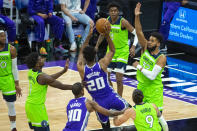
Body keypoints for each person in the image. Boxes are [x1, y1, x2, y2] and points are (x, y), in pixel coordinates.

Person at [77, 25, 129, 131]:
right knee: (133, 111)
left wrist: (88, 36)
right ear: (95, 55)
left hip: (99, 103)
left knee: (106, 127)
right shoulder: (102, 64)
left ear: (84, 57)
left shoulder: (81, 69)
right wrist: (107, 35)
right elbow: (112, 51)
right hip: (111, 97)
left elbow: (82, 50)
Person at [95, 2, 138, 97]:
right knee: (106, 77)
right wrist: (97, 46)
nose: (113, 12)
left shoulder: (123, 22)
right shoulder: (106, 22)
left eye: (115, 11)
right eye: (111, 11)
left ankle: (120, 99)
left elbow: (137, 34)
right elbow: (102, 35)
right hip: (110, 52)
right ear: (109, 12)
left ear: (118, 12)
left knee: (119, 78)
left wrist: (133, 46)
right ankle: (113, 96)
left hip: (122, 51)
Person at [25, 52, 73, 131]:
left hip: (29, 106)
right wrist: (77, 86)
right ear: (37, 64)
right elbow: (61, 86)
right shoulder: (41, 77)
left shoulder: (31, 71)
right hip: (37, 107)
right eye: (40, 59)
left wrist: (63, 71)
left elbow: (49, 78)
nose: (43, 59)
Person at [133, 3, 167, 112]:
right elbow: (139, 31)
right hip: (142, 88)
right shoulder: (145, 48)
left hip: (154, 90)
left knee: (157, 119)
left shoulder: (161, 58)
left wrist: (138, 66)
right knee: (141, 117)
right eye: (149, 40)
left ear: (158, 44)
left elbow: (152, 76)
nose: (149, 42)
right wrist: (137, 16)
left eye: (152, 41)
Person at [0, 28, 22, 131]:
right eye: (1, 36)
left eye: (5, 36)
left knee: (11, 104)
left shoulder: (11, 49)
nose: (4, 38)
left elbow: (14, 68)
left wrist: (17, 84)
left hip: (7, 78)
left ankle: (13, 127)